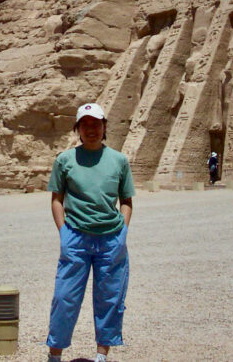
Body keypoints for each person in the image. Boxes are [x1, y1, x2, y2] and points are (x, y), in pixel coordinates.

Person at [47, 103, 135, 362]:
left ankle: (101, 355)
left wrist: (123, 232)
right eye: (85, 124)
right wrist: (63, 232)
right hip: (75, 236)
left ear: (104, 126)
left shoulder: (119, 160)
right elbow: (56, 199)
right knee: (65, 297)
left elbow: (126, 201)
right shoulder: (64, 160)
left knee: (109, 297)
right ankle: (54, 354)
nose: (91, 129)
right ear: (78, 129)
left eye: (96, 124)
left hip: (111, 238)